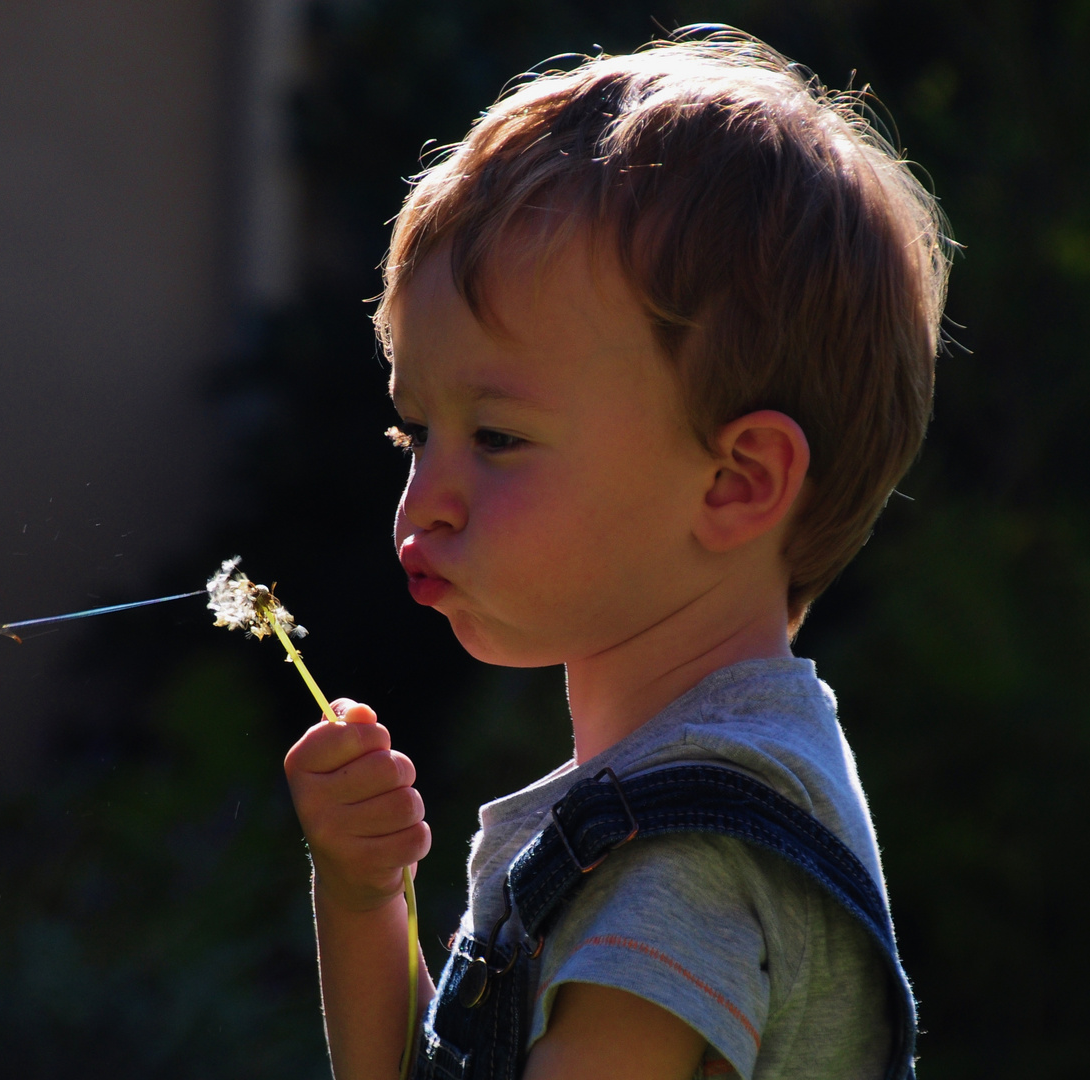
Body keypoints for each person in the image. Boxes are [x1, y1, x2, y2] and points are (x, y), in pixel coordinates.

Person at [283, 27, 951, 1080]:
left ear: (735, 482)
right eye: (414, 433)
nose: (426, 500)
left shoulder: (681, 863)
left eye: (495, 437)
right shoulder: (660, 804)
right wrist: (366, 896)